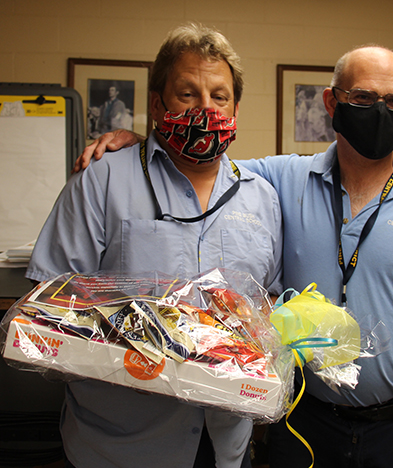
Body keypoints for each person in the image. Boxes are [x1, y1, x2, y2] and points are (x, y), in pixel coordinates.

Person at [73, 44, 393, 468]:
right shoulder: (282, 179)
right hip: (301, 420)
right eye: (363, 98)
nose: (381, 111)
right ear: (332, 103)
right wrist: (140, 146)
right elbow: (201, 163)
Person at [26, 23, 283, 468]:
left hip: (224, 444)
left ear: (235, 108)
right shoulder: (103, 181)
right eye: (187, 94)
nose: (205, 108)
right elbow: (47, 302)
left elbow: (268, 305)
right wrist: (138, 332)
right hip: (118, 445)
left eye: (218, 97)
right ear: (156, 103)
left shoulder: (262, 196)